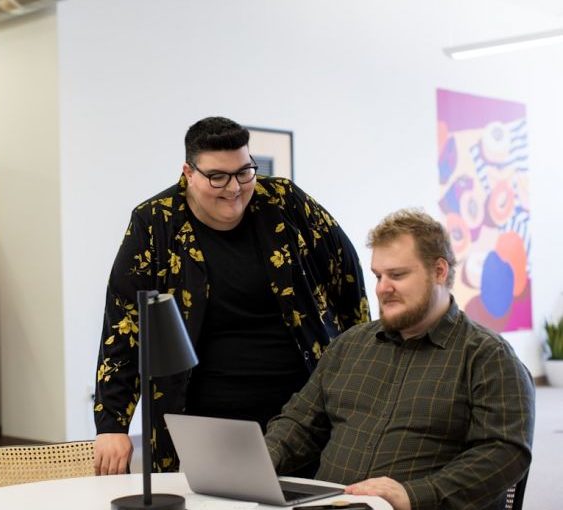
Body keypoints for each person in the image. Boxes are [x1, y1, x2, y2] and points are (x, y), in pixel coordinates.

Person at [94, 116, 370, 475]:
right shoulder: (155, 223)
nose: (234, 188)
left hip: (301, 411)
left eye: (244, 172)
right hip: (204, 416)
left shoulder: (285, 203)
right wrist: (113, 425)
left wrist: (362, 373)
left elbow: (347, 279)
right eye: (217, 177)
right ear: (188, 172)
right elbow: (125, 323)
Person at [265, 208, 535, 510]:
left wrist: (413, 496)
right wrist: (259, 462)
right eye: (378, 276)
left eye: (398, 275)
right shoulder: (350, 346)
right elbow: (299, 423)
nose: (383, 288)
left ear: (439, 271)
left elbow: (503, 454)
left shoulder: (488, 357)